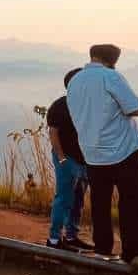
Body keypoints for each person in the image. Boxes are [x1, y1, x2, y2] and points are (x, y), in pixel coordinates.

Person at [66, 44, 138, 263]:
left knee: (100, 202)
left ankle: (102, 248)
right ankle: (132, 253)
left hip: (92, 152)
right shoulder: (111, 77)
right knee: (130, 201)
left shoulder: (75, 81)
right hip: (121, 150)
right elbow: (135, 108)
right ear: (112, 61)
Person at [46, 67, 93, 251]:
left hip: (84, 160)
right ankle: (54, 239)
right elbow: (53, 133)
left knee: (77, 200)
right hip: (67, 159)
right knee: (64, 198)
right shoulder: (60, 106)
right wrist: (62, 159)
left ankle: (71, 236)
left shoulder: (88, 104)